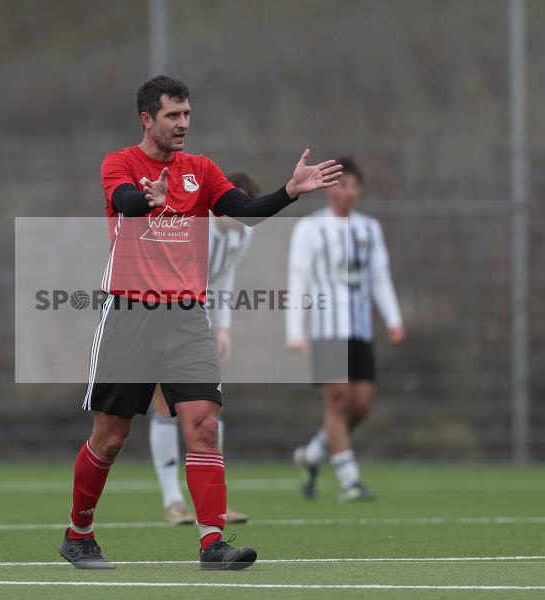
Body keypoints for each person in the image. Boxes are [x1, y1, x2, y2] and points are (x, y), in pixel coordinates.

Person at [59, 75, 342, 570]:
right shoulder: (120, 164)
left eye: (187, 114)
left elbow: (246, 212)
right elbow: (124, 202)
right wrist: (145, 198)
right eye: (173, 115)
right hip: (128, 314)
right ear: (147, 119)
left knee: (204, 425)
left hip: (187, 317)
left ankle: (213, 542)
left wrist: (290, 192)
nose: (183, 123)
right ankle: (78, 533)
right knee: (110, 436)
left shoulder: (201, 170)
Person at [286, 157, 404, 502]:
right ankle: (350, 480)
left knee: (361, 405)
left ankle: (311, 455)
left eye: (353, 184)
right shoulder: (310, 228)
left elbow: (380, 278)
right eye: (340, 184)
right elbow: (298, 279)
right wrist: (296, 329)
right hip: (325, 328)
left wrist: (394, 320)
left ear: (360, 189)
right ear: (327, 188)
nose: (347, 191)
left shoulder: (370, 229)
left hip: (360, 329)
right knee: (337, 401)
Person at [150, 172, 257, 526]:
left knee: (210, 408)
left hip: (198, 317)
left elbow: (224, 275)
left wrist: (222, 328)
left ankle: (214, 502)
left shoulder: (244, 232)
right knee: (165, 404)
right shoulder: (191, 225)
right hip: (158, 312)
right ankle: (172, 501)